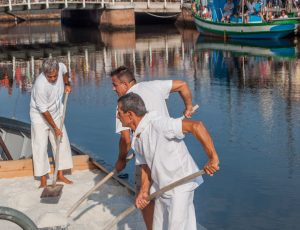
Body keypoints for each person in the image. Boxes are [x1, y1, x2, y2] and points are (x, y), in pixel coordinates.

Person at [117, 93, 220, 230]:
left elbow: (196, 126)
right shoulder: (137, 137)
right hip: (161, 188)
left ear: (130, 115)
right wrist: (144, 190)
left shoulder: (159, 124)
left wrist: (212, 158)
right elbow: (145, 165)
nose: (117, 116)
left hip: (180, 186)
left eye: (119, 112)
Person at [111, 66, 194, 230]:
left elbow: (126, 140)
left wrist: (121, 160)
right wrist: (188, 106)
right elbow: (183, 85)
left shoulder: (124, 105)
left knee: (145, 196)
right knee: (163, 198)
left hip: (148, 158)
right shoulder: (154, 85)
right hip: (169, 154)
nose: (113, 89)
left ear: (126, 84)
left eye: (115, 85)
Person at [30, 58, 73, 188]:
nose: (53, 78)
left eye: (55, 75)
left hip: (56, 111)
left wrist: (67, 83)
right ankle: (43, 178)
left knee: (61, 142)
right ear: (44, 73)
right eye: (50, 77)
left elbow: (65, 71)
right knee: (40, 146)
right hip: (40, 116)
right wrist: (54, 127)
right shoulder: (40, 85)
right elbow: (43, 111)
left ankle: (59, 174)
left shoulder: (60, 67)